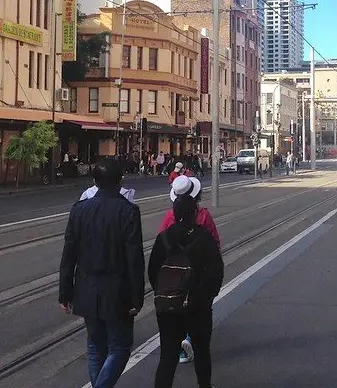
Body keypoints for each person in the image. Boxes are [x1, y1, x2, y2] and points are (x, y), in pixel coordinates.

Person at [60, 161, 145, 388]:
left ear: (94, 182)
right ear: (120, 183)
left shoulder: (79, 210)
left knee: (95, 346)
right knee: (120, 346)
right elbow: (134, 258)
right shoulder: (128, 211)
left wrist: (64, 293)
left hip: (86, 289)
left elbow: (69, 255)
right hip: (118, 291)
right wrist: (138, 296)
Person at [149, 193, 224, 388]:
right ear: (195, 214)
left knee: (168, 356)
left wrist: (164, 294)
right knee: (201, 352)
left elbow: (153, 272)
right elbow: (216, 272)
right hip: (198, 305)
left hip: (168, 305)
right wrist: (207, 297)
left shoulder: (163, 238)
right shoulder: (204, 238)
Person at [158, 175, 221, 364]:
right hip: (200, 270)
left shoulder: (170, 216)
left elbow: (162, 242)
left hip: (177, 271)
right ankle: (193, 341)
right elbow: (214, 242)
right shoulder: (203, 216)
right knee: (200, 307)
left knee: (178, 304)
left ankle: (181, 346)